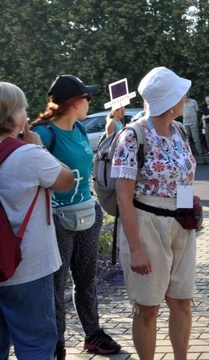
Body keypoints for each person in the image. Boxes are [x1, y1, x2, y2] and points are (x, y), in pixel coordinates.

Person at [30, 75, 122, 359]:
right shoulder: (44, 133)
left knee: (87, 281)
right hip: (57, 218)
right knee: (56, 286)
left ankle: (92, 334)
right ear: (75, 102)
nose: (89, 103)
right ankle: (56, 343)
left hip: (87, 212)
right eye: (87, 98)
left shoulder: (81, 128)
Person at [111, 67, 197, 360]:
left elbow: (185, 178)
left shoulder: (180, 131)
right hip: (146, 225)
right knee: (148, 308)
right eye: (180, 95)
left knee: (183, 301)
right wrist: (136, 249)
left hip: (181, 226)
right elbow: (124, 198)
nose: (185, 98)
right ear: (169, 101)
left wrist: (188, 215)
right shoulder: (132, 136)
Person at [0, 82, 75, 359]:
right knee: (35, 342)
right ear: (14, 115)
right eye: (23, 108)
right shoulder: (29, 155)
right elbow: (67, 180)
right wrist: (40, 148)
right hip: (27, 268)